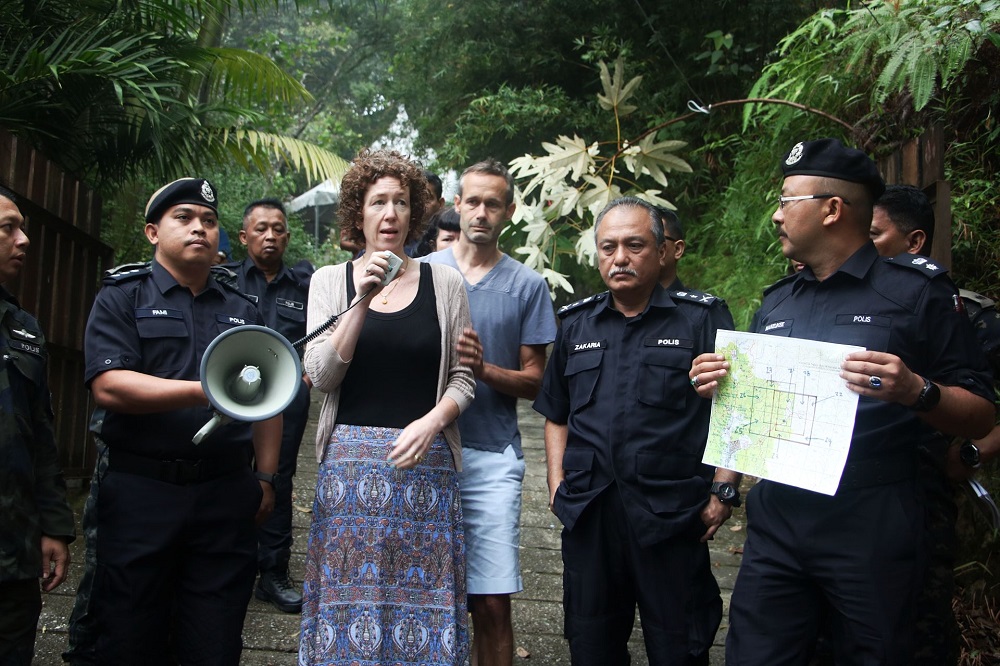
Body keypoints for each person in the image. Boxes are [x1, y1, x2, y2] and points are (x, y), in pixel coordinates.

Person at [691, 139, 995, 665]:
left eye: (788, 200)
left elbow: (982, 412)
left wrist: (916, 390)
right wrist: (722, 387)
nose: (776, 214)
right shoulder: (778, 301)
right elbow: (751, 413)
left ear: (832, 209)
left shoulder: (916, 294)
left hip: (873, 518)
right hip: (780, 518)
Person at [83, 177, 282, 665]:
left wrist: (265, 476)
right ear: (153, 232)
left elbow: (270, 398)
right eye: (185, 218)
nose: (200, 228)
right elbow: (109, 385)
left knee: (214, 641)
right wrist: (207, 390)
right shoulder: (122, 295)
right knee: (128, 636)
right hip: (141, 492)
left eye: (209, 221)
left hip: (223, 492)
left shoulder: (244, 309)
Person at [533, 197, 737, 665]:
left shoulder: (700, 319)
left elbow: (734, 410)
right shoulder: (575, 323)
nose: (619, 258)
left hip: (669, 513)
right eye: (608, 247)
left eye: (634, 245)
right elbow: (556, 413)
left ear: (663, 251)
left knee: (679, 647)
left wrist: (724, 489)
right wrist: (555, 484)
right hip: (590, 512)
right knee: (591, 645)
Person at [299, 149, 474, 665]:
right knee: (346, 609)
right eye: (378, 202)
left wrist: (433, 422)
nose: (391, 213)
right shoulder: (329, 281)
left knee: (424, 612)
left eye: (401, 201)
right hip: (348, 476)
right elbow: (321, 375)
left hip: (426, 467)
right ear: (360, 214)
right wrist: (362, 299)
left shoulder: (446, 284)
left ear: (415, 211)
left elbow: (464, 380)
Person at [424, 159, 557, 666]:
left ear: (510, 212)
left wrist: (483, 370)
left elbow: (535, 381)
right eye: (472, 201)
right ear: (457, 205)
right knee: (427, 595)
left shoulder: (526, 286)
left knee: (491, 601)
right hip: (427, 452)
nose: (481, 212)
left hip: (491, 456)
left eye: (492, 204)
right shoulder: (425, 273)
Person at [867, 183, 999, 665]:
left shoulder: (970, 313)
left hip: (931, 495)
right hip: (873, 499)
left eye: (874, 235)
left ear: (915, 241)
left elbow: (983, 402)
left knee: (922, 623)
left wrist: (974, 451)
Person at [0, 186, 75, 665]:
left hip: (13, 550)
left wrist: (55, 528)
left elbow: (42, 438)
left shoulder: (22, 329)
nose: (24, 240)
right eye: (9, 228)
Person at [229, 198, 314, 613]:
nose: (270, 236)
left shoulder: (305, 287)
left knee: (277, 478)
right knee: (227, 472)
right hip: (230, 400)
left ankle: (273, 572)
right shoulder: (223, 281)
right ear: (244, 236)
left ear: (286, 236)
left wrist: (312, 368)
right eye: (260, 229)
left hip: (286, 404)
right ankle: (229, 564)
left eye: (277, 228)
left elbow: (322, 337)